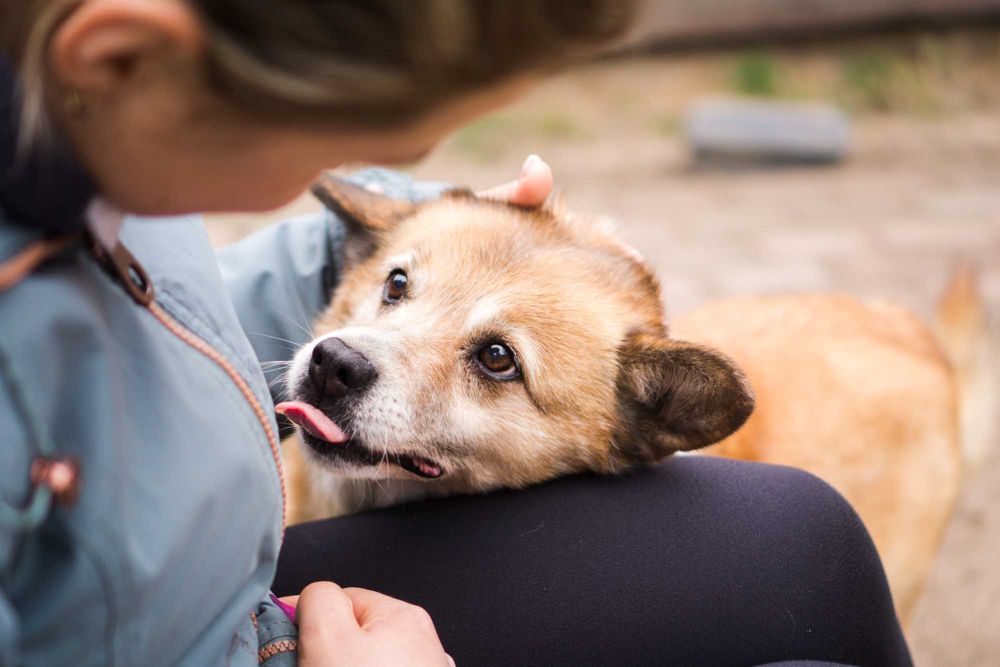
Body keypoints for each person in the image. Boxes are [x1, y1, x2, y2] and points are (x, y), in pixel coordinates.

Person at [0, 1, 911, 665]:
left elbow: (159, 314)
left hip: (204, 557)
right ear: (119, 62)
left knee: (810, 538)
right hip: (232, 631)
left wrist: (426, 241)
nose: (366, 343)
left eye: (491, 358)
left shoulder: (76, 131)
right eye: (351, 140)